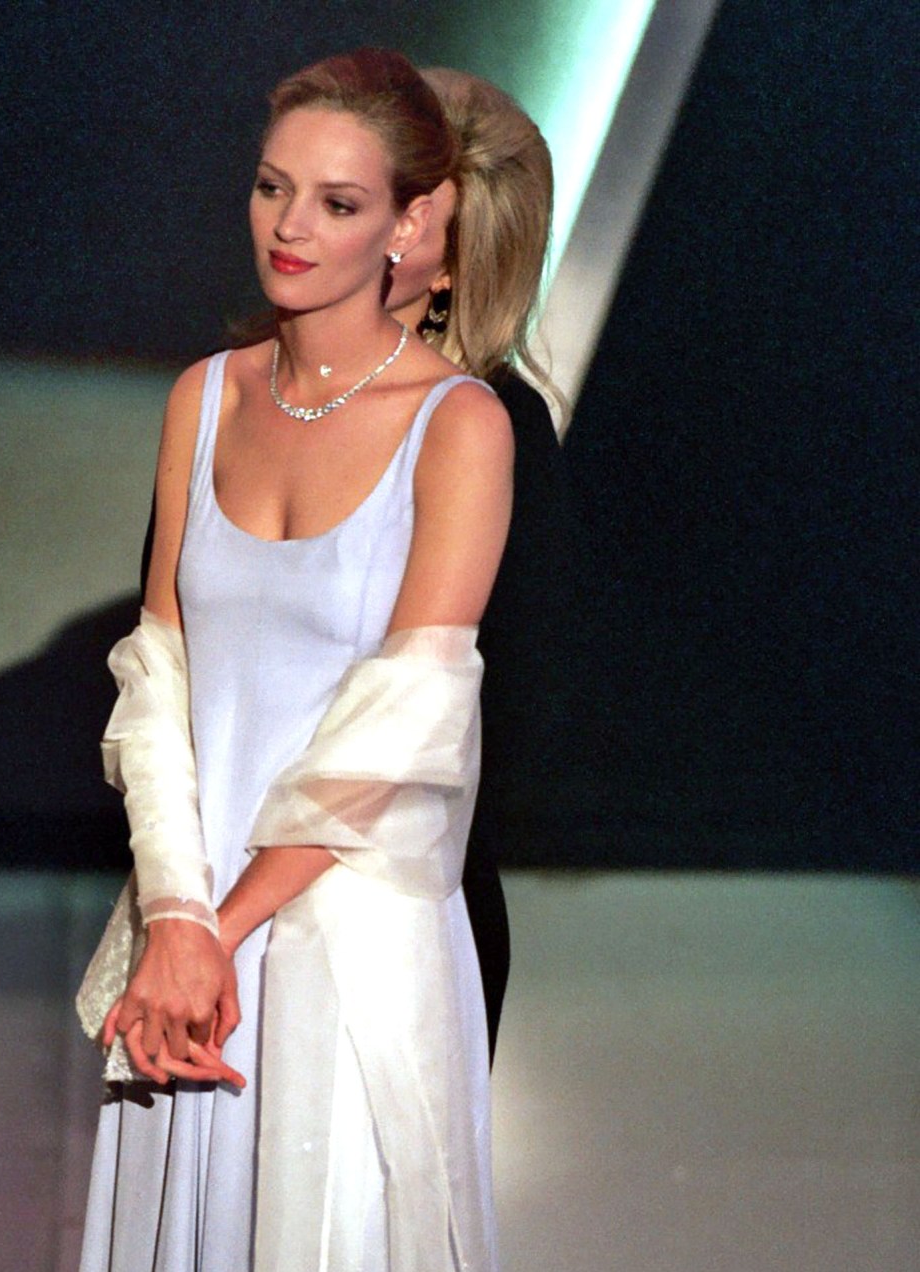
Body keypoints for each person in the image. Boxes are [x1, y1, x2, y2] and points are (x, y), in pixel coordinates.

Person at [12, 49, 536, 1272]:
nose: (282, 226)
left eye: (328, 200)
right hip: (193, 954)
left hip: (345, 956)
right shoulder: (201, 396)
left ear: (413, 228)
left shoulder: (459, 423)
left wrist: (216, 926)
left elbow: (403, 723)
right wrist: (166, 913)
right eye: (266, 187)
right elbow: (156, 665)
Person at [387, 67, 561, 1061]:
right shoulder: (225, 397)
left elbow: (510, 716)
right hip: (208, 903)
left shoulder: (499, 436)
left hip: (404, 912)